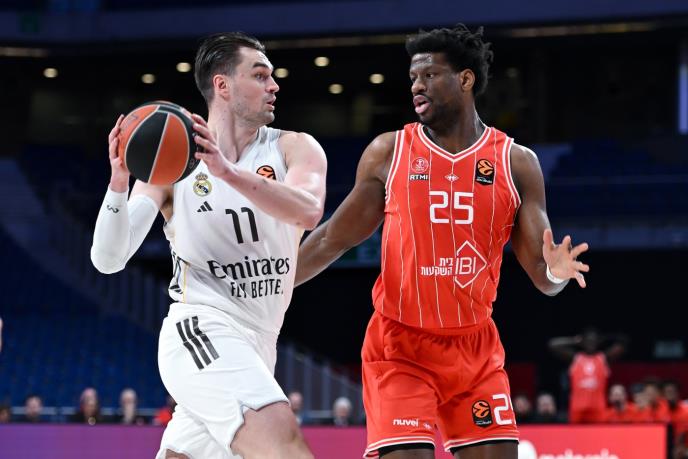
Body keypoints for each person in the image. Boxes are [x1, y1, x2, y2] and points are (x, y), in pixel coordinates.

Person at [295, 24, 589, 459]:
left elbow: (544, 280)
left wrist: (557, 273)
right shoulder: (389, 153)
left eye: (430, 75)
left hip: (474, 350)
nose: (417, 85)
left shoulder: (516, 163)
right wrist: (267, 288)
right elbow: (331, 240)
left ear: (465, 79)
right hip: (400, 347)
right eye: (413, 77)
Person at [91, 31, 326, 459]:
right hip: (200, 329)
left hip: (260, 343)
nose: (274, 86)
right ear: (223, 85)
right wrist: (118, 183)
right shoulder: (174, 162)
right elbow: (109, 259)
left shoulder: (294, 147)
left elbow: (308, 211)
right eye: (260, 75)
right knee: (283, 442)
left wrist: (228, 173)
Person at [549, 328, 626, 424]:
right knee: (575, 433)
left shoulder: (604, 358)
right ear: (583, 342)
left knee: (598, 433)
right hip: (577, 408)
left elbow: (623, 341)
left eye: (594, 340)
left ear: (597, 342)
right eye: (588, 340)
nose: (591, 343)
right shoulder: (575, 358)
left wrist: (604, 339)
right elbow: (552, 345)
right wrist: (574, 341)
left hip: (598, 409)